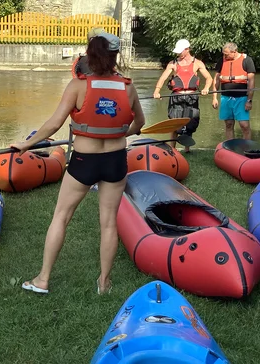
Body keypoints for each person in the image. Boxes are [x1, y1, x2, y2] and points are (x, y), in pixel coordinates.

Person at [12, 32, 146, 295]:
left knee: (61, 216)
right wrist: (120, 133)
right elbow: (139, 124)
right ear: (114, 56)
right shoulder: (128, 87)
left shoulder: (78, 85)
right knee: (108, 223)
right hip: (116, 160)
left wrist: (27, 144)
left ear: (91, 55)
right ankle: (104, 283)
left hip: (85, 161)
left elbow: (54, 123)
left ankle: (43, 279)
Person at [153, 39, 212, 152]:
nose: (178, 53)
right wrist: (157, 90)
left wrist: (206, 88)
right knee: (174, 123)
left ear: (187, 49)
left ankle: (187, 149)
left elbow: (209, 78)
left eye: (180, 51)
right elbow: (163, 78)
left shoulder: (197, 63)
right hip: (176, 97)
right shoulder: (173, 63)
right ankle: (172, 149)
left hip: (192, 97)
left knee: (190, 122)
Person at [212, 42, 256, 140]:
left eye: (226, 54)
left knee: (244, 125)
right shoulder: (221, 61)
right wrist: (214, 98)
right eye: (223, 54)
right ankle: (230, 148)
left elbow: (251, 81)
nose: (224, 56)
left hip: (241, 98)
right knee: (228, 124)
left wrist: (249, 100)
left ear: (234, 51)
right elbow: (216, 79)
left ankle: (247, 148)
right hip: (225, 98)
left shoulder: (247, 60)